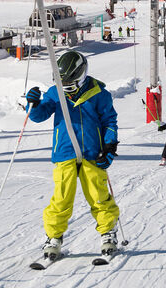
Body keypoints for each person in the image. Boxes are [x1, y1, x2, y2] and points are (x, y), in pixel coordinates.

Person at [25, 50, 120, 260]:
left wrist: (109, 146)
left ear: (81, 75)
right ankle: (54, 237)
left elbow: (109, 121)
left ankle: (108, 232)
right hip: (65, 152)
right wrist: (34, 104)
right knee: (61, 197)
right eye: (63, 83)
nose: (66, 88)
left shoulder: (99, 93)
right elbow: (39, 116)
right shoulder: (55, 93)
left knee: (98, 195)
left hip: (92, 152)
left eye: (70, 83)